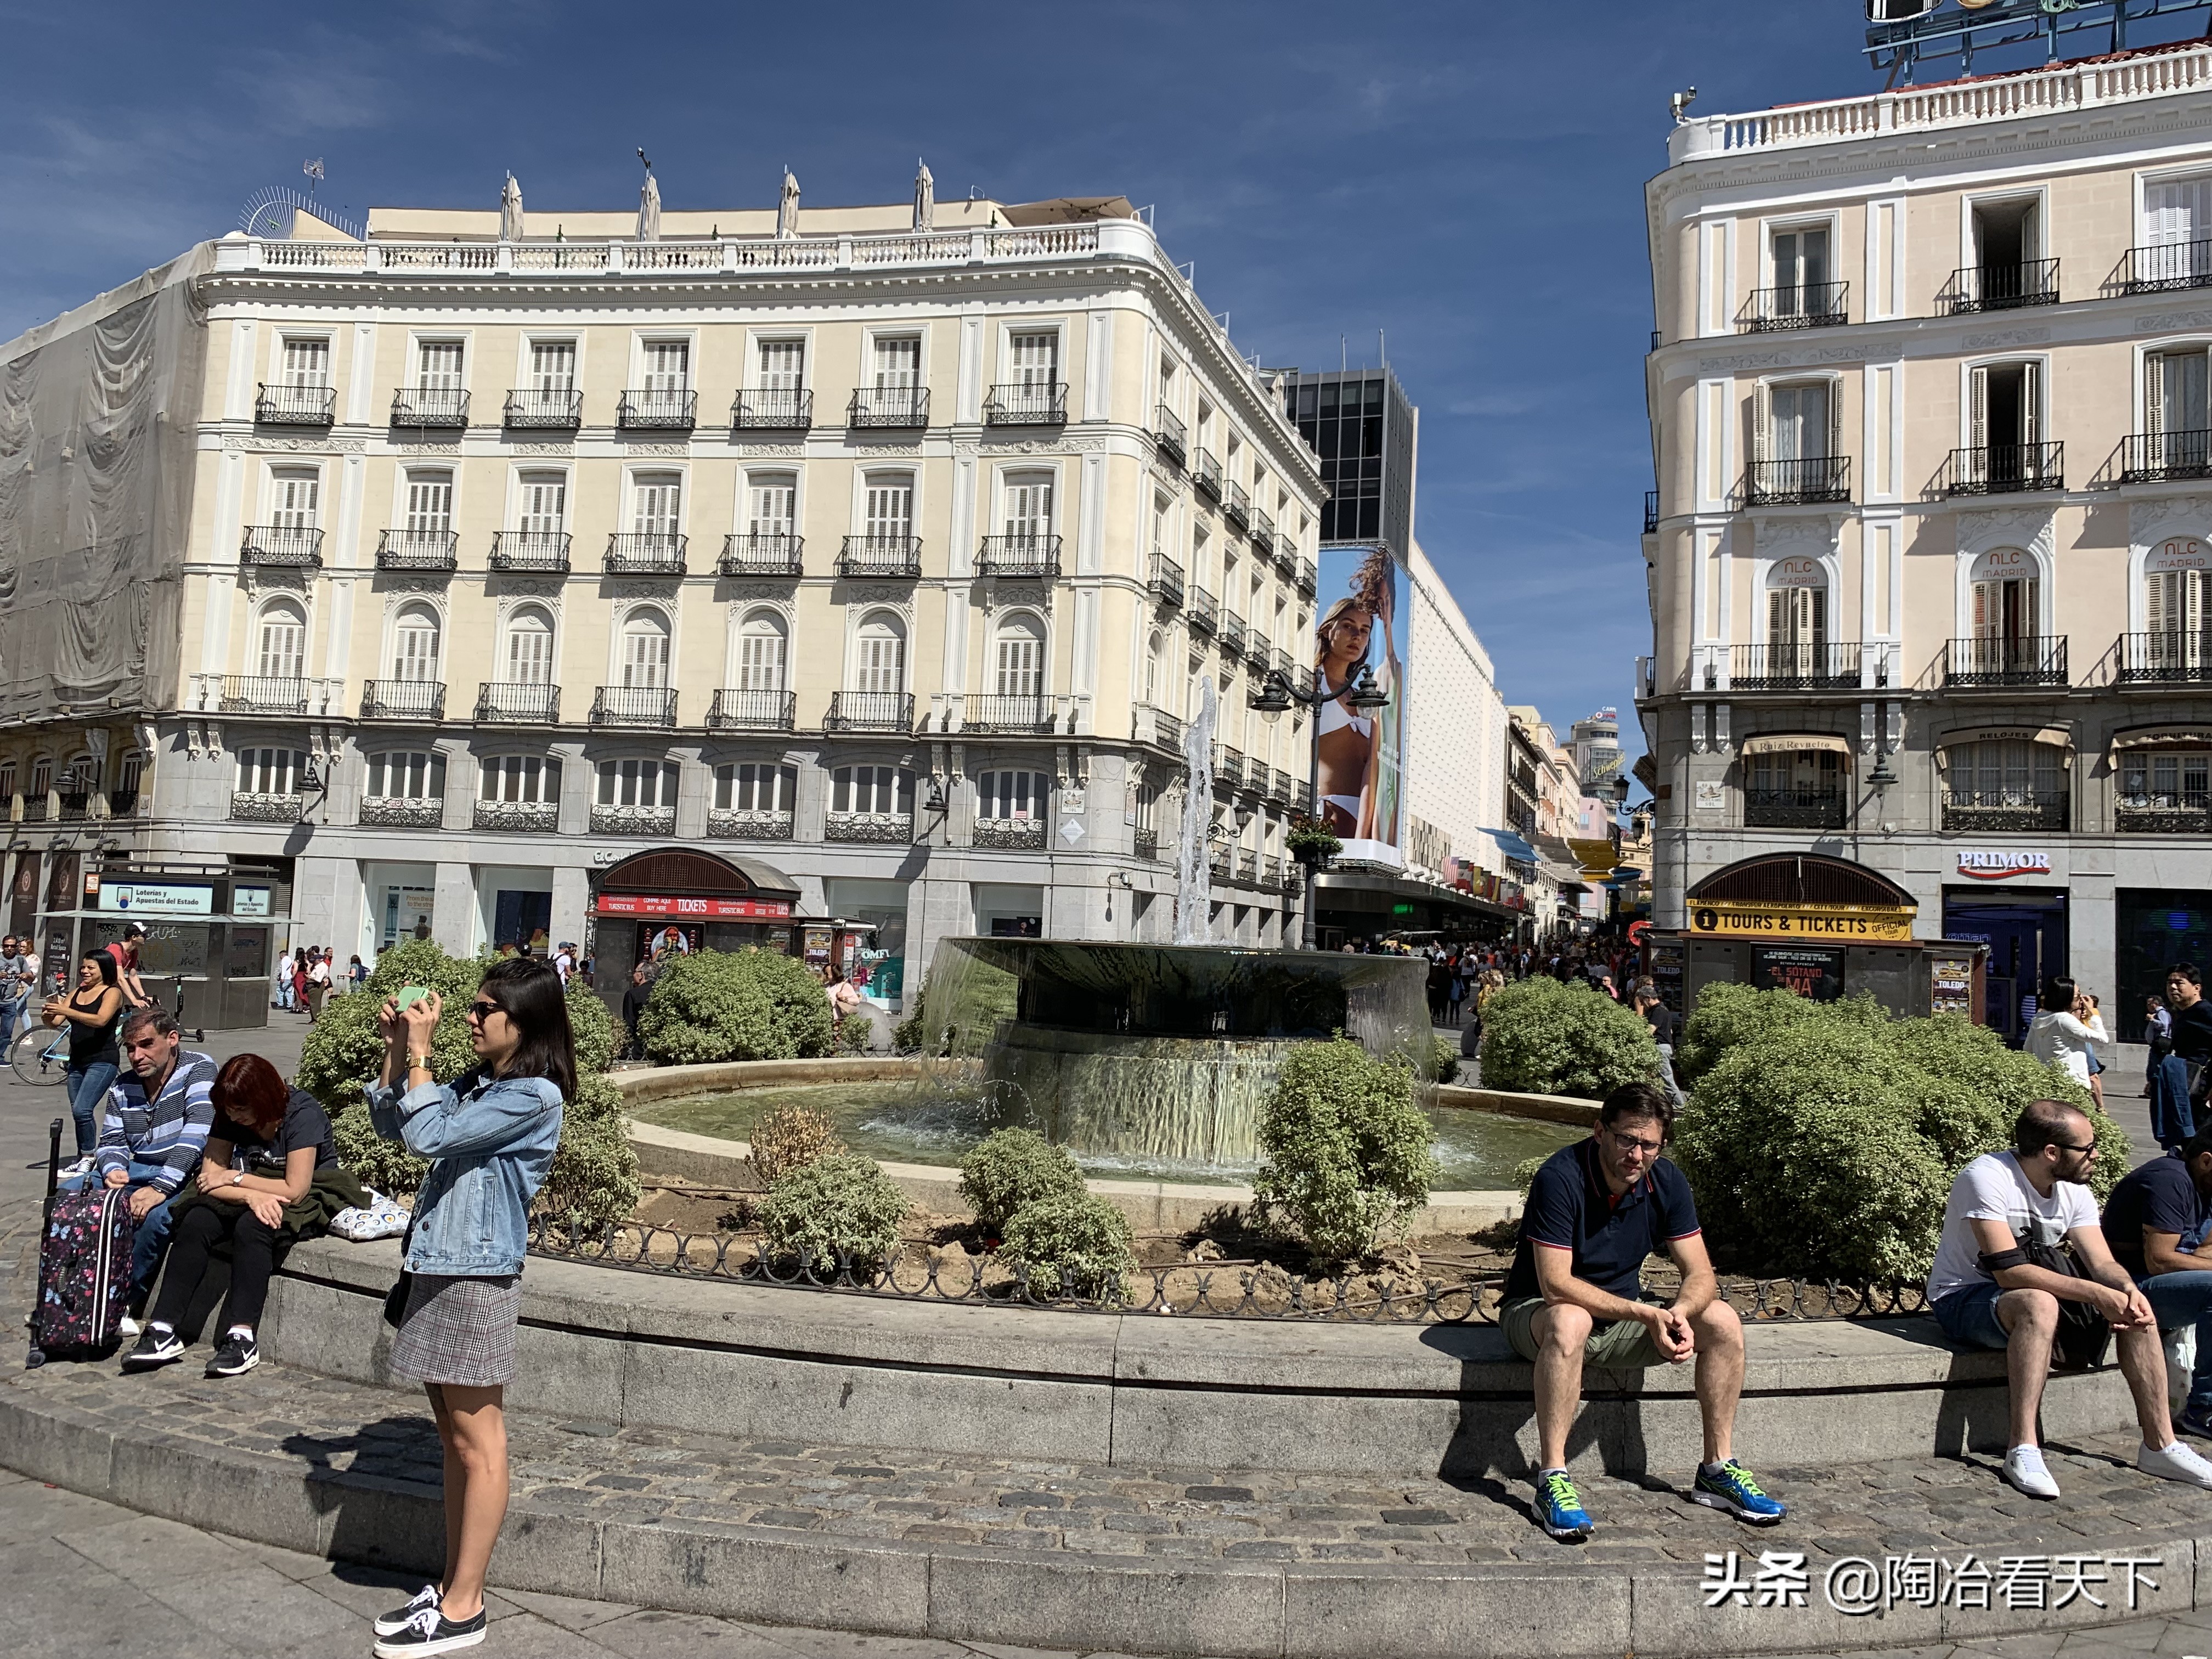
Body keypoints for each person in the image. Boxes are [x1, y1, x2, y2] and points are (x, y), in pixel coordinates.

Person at [363, 958, 569, 1657]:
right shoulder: (480, 1086)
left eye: (487, 1010)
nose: (472, 1019)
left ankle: (465, 1607)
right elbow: (394, 1124)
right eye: (474, 1008)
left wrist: (421, 1055)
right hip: (436, 1266)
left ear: (526, 1021)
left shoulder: (534, 1095)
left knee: (480, 1442)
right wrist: (398, 1050)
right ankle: (455, 1581)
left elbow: (429, 1138)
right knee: (454, 1438)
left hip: (477, 1277)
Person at [1499, 1081, 1784, 1541]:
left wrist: (1679, 1313)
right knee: (1572, 1319)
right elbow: (1555, 1285)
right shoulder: (1561, 1176)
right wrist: (1645, 1314)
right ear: (1600, 1132)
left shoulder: (1666, 1180)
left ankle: (1717, 1468)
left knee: (1722, 1320)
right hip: (1537, 1318)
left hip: (1621, 1320)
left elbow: (1702, 1275)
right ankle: (1551, 1479)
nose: (1636, 1154)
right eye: (1626, 1139)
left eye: (1648, 1144)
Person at [1927, 1098, 2212, 1497]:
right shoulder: (1986, 1177)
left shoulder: (2073, 1190)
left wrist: (2125, 1290)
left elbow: (2102, 1263)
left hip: (2030, 1293)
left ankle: (2161, 1445)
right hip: (1964, 1297)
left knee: (2133, 1304)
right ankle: (2022, 1447)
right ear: (2051, 1153)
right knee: (2038, 1302)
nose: (2097, 1156)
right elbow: (2008, 1272)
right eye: (2088, 1148)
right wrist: (2098, 1294)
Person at [123, 1053, 362, 1378]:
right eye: (229, 1110)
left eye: (242, 1110)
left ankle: (242, 1337)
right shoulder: (228, 1112)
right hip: (252, 1188)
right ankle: (163, 1329)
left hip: (310, 1192)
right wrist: (250, 1193)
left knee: (254, 1226)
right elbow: (209, 1180)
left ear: (263, 1099)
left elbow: (295, 1189)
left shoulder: (302, 1113)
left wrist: (235, 1179)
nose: (234, 1117)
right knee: (196, 1220)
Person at [76, 1009, 216, 1330]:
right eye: (130, 1048)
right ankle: (75, 1293)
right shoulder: (123, 1085)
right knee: (72, 1197)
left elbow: (196, 1136)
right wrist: (112, 1167)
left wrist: (160, 1189)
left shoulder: (199, 1069)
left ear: (172, 1040)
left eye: (146, 1045)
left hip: (181, 1173)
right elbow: (111, 1139)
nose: (136, 1056)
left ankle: (123, 1301)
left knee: (154, 1219)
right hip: (134, 1169)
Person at [2101, 1126, 2212, 1439]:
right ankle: (2204, 1409)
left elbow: (2203, 1251)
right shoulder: (2170, 1180)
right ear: (2206, 1161)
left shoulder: (2205, 1184)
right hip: (2132, 1288)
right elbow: (2160, 1261)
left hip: (2168, 1284)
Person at [43, 951, 125, 1176]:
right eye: (83, 968)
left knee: (83, 1109)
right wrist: (48, 1013)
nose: (85, 972)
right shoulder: (77, 992)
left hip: (102, 1060)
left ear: (104, 970)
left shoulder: (113, 993)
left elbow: (100, 1020)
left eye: (91, 968)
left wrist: (66, 1010)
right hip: (77, 1061)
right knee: (78, 1112)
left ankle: (89, 1157)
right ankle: (83, 1157)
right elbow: (56, 1022)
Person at [2154, 966, 2212, 1152]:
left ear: (2197, 988)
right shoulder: (2183, 1013)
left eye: (2179, 983)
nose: (2173, 988)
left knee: (2199, 1142)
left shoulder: (2204, 1011)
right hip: (2185, 1085)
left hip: (2202, 1088)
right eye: (2169, 983)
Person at [2023, 976, 2106, 1090]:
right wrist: (2094, 1014)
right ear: (2066, 999)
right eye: (2078, 995)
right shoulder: (2064, 1019)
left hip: (2048, 1080)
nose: (2082, 999)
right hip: (2073, 1083)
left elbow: (2028, 1050)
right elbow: (2102, 1039)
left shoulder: (2039, 1018)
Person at [1634, 985, 1685, 1111]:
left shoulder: (1658, 1011)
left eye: (1642, 1001)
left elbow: (1650, 1030)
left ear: (1648, 998)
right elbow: (1671, 1031)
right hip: (1664, 1047)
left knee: (1666, 1078)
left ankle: (1679, 1105)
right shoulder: (1663, 1010)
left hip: (1660, 1047)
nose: (1641, 1004)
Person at [101, 923, 151, 1010]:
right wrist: (134, 1000)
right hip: (94, 988)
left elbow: (133, 975)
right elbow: (120, 978)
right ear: (134, 937)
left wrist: (144, 997)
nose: (146, 938)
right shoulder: (115, 949)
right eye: (144, 935)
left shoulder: (134, 951)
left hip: (106, 988)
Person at [0, 933, 32, 1048]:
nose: (9, 948)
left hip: (10, 1002)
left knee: (6, 1033)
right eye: (6, 946)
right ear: (3, 946)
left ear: (16, 947)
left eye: (12, 946)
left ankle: (0, 1057)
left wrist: (26, 975)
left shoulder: (20, 960)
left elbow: (32, 977)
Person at [2149, 995, 2174, 1099]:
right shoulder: (2160, 1013)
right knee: (2154, 1066)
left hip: (2161, 1042)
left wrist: (2152, 1019)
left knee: (2155, 1066)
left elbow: (2164, 1025)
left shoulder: (2162, 1013)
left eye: (2149, 1004)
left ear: (2155, 1004)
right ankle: (2152, 1090)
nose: (2148, 1007)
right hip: (2158, 1042)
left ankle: (2155, 1091)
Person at [306, 950, 331, 1023]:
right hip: (313, 986)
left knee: (316, 1003)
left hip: (317, 986)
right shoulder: (318, 966)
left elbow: (318, 979)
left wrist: (309, 977)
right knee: (312, 1003)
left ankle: (317, 1019)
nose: (314, 962)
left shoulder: (323, 967)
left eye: (315, 961)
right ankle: (314, 1018)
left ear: (320, 960)